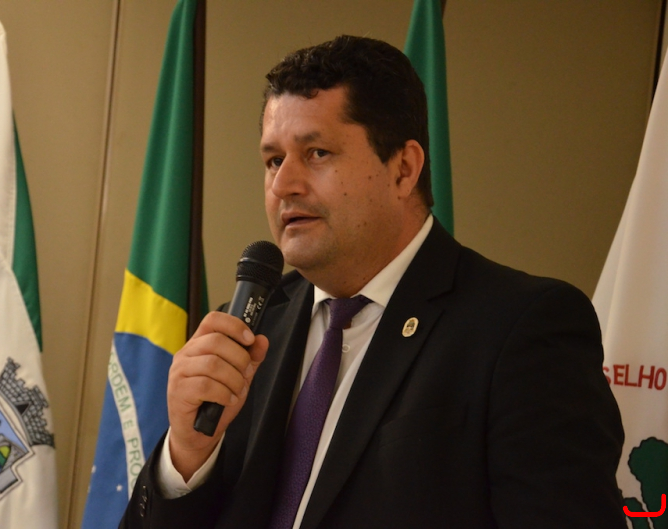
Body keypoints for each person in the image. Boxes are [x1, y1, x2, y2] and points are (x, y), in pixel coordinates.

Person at [119, 35, 625, 528]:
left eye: (317, 153)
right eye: (273, 160)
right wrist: (185, 457)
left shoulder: (523, 328)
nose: (283, 185)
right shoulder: (248, 330)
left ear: (403, 169)